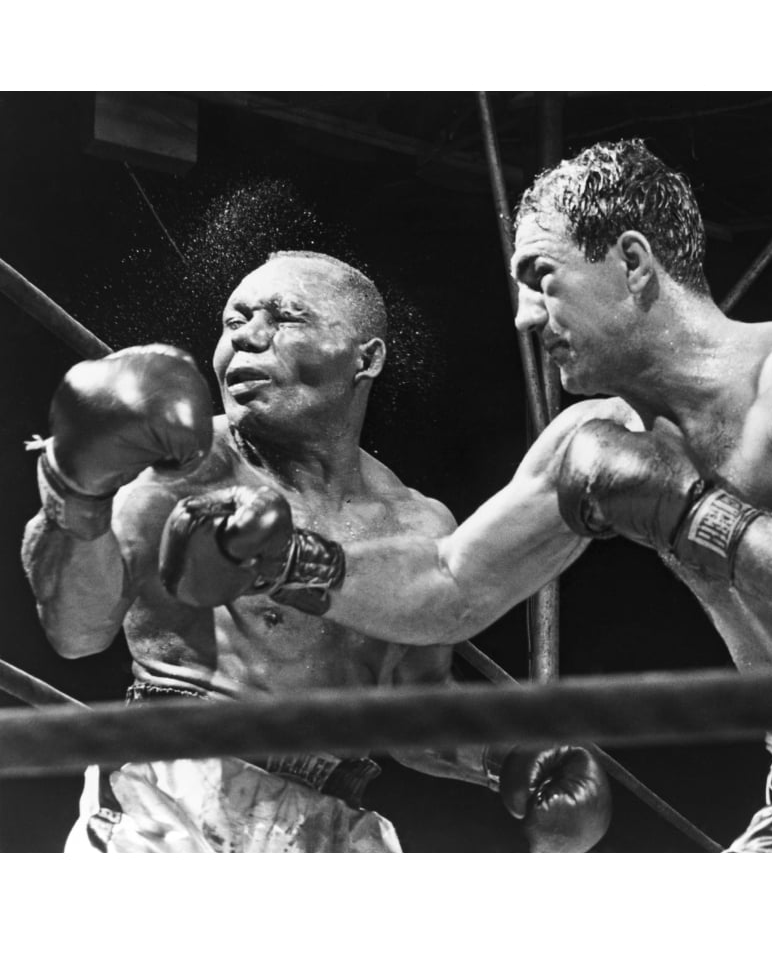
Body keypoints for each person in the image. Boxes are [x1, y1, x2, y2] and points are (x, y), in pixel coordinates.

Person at [160, 140, 772, 852]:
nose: (526, 315)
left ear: (632, 262)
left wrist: (688, 509)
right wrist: (288, 558)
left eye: (542, 276)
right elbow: (447, 591)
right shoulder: (590, 440)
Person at [20, 249, 612, 853]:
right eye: (233, 321)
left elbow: (409, 710)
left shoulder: (417, 523)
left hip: (332, 818)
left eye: (285, 317)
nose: (248, 338)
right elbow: (77, 632)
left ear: (367, 358)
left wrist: (502, 755)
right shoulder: (190, 468)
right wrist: (74, 493)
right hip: (174, 791)